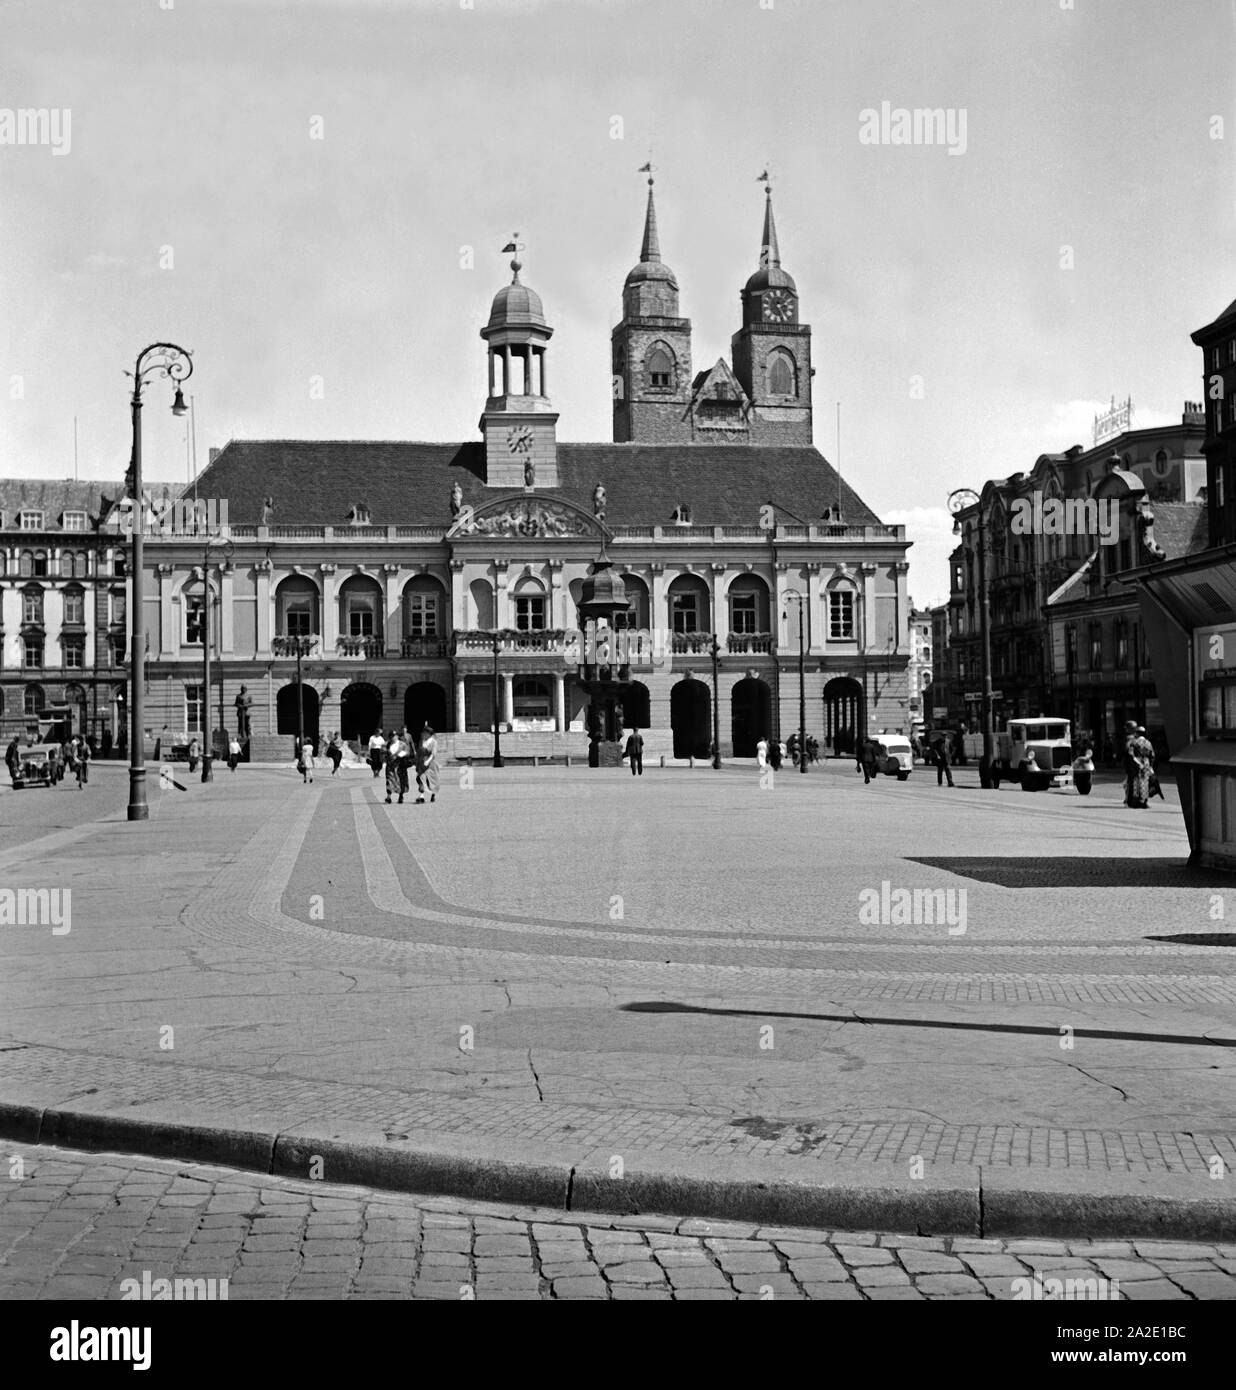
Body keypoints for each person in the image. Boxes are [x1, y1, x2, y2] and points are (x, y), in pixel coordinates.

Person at [1123, 721, 1149, 808]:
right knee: (1141, 782)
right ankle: (1140, 800)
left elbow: (1128, 751)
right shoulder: (1139, 739)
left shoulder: (1130, 739)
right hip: (1141, 763)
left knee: (1131, 782)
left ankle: (1131, 800)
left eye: (1127, 728)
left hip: (1132, 764)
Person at [1138, 726, 1165, 801]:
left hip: (1138, 764)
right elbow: (1152, 755)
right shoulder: (1148, 743)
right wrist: (1151, 765)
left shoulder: (1135, 742)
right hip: (1146, 764)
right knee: (1148, 780)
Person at [415, 725, 440, 803]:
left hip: (430, 764)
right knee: (421, 778)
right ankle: (421, 795)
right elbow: (418, 752)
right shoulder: (421, 741)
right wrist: (417, 762)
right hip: (421, 763)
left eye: (425, 733)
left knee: (431, 780)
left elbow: (433, 754)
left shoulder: (433, 742)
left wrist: (428, 761)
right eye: (423, 733)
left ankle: (433, 794)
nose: (423, 734)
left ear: (429, 734)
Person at [384, 730, 404, 804]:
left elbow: (406, 752)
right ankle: (389, 797)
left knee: (399, 781)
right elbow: (384, 753)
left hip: (399, 766)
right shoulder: (388, 744)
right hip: (389, 766)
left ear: (397, 736)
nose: (393, 738)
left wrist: (399, 755)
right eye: (391, 736)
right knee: (389, 781)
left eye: (394, 736)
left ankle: (400, 796)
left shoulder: (402, 744)